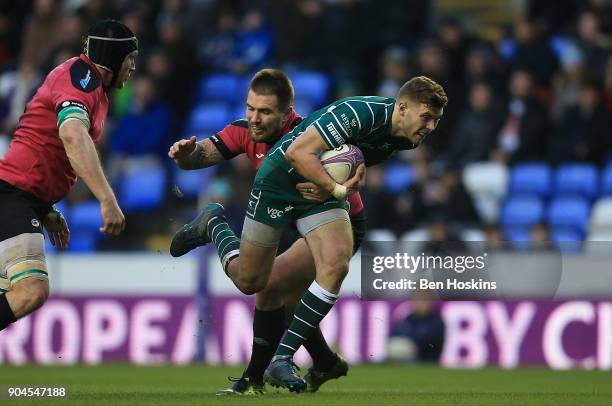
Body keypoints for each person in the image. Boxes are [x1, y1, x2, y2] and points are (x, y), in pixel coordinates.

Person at [172, 75, 447, 392]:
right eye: (426, 117)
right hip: (279, 186)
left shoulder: (408, 135)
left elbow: (352, 155)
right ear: (402, 107)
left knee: (334, 265)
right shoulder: (358, 114)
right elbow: (296, 154)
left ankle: (281, 359)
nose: (430, 126)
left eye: (436, 120)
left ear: (285, 111)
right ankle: (215, 224)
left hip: (318, 197)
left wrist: (343, 178)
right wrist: (335, 186)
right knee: (253, 282)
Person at [169, 69, 366, 394]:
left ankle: (254, 377)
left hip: (338, 224)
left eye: (265, 112)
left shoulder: (313, 138)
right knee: (274, 291)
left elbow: (349, 172)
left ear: (287, 114)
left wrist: (344, 180)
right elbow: (203, 154)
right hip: (287, 222)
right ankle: (322, 362)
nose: (254, 118)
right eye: (250, 108)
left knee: (270, 285)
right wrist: (186, 156)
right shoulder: (245, 131)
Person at [0, 20, 137, 332]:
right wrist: (107, 198)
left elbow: (43, 144)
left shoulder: (94, 89)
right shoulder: (81, 79)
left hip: (23, 197)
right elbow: (72, 135)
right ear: (113, 57)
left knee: (14, 292)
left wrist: (46, 207)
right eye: (130, 59)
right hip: (12, 195)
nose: (133, 67)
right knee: (30, 290)